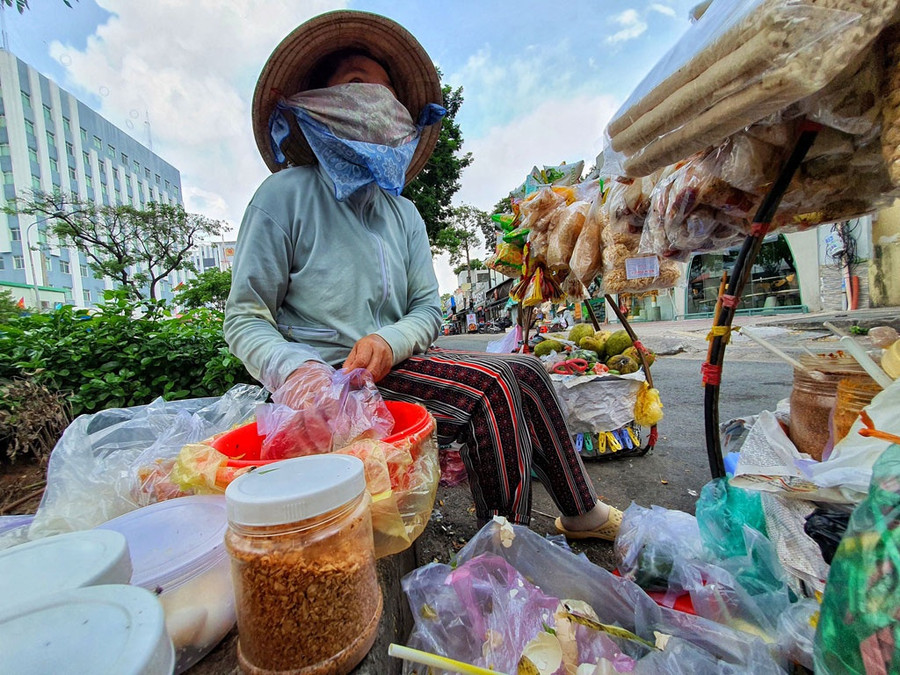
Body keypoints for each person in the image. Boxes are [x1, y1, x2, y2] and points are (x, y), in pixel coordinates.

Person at [224, 10, 622, 540]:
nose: (377, 101)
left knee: (527, 369)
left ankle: (578, 510)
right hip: (331, 384)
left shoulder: (403, 213)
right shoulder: (284, 198)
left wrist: (389, 343)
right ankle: (503, 554)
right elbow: (246, 317)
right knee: (493, 389)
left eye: (387, 93)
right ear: (321, 105)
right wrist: (295, 371)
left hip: (395, 363)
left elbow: (427, 310)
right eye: (357, 85)